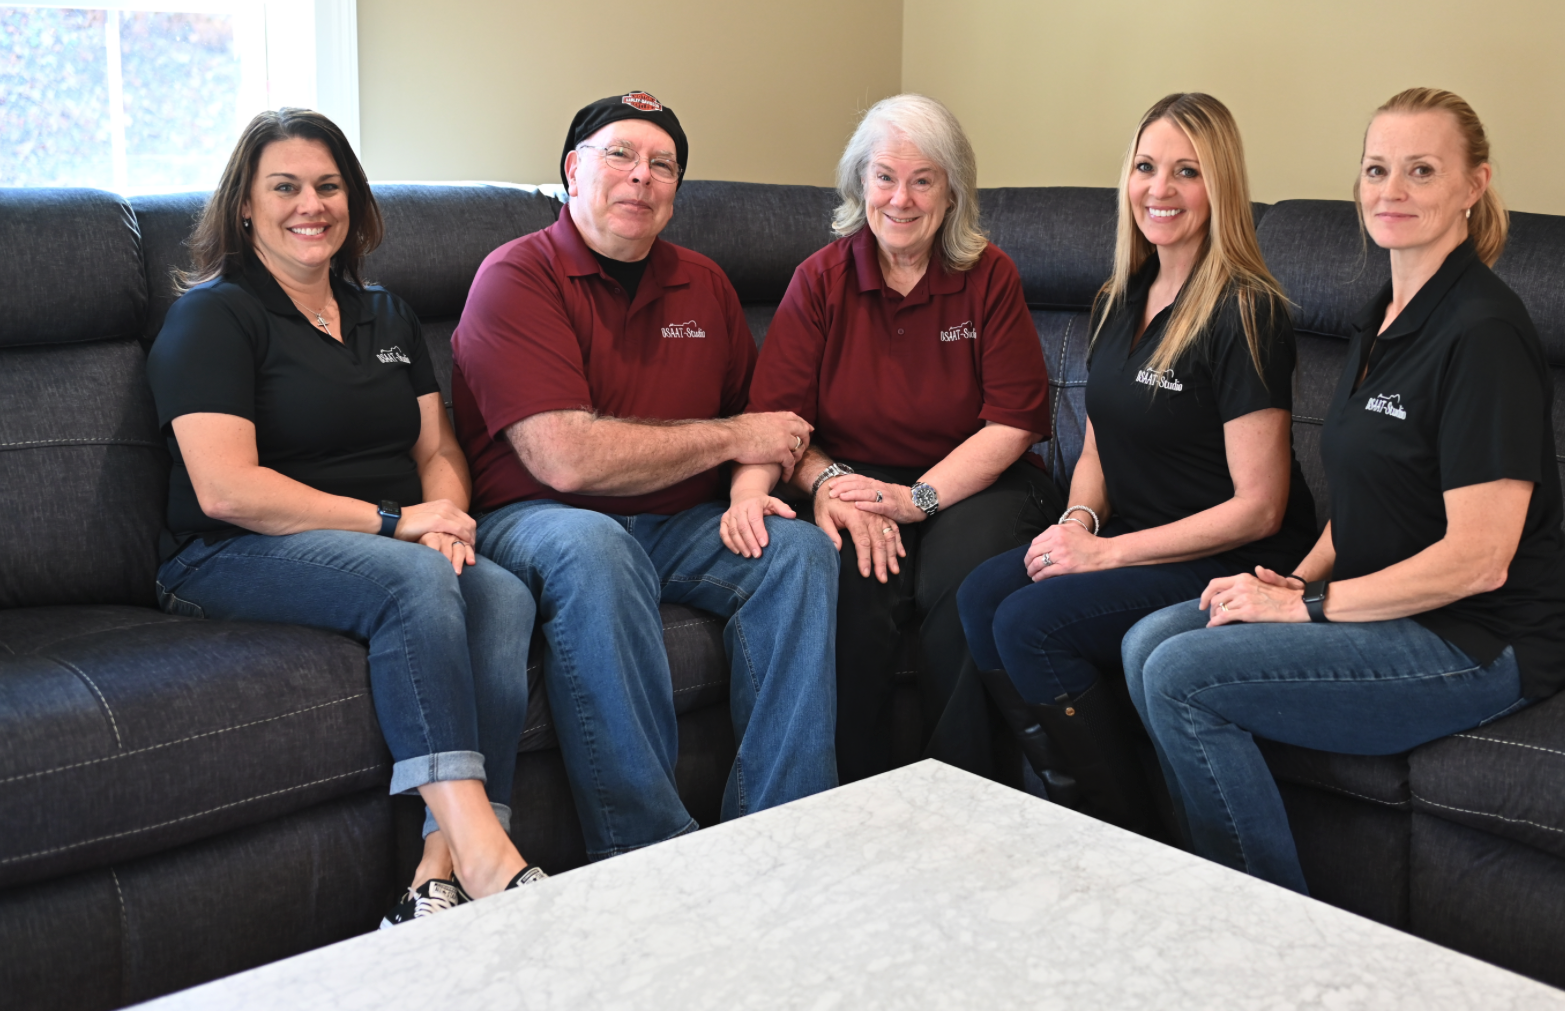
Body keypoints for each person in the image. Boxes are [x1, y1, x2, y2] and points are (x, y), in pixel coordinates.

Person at [1121, 88, 1565, 892]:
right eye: (1377, 169)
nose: (1391, 191)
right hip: (1382, 603)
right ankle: (1202, 888)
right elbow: (1364, 500)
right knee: (1146, 640)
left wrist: (1304, 610)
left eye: (1421, 170)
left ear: (1475, 185)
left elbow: (1479, 560)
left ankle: (1270, 936)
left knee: (1179, 674)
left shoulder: (1484, 334)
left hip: (1477, 638)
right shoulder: (1382, 315)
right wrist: (1290, 580)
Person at [147, 108, 544, 927]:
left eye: (329, 186)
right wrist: (401, 525)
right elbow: (226, 489)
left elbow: (437, 449)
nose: (311, 205)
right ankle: (487, 849)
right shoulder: (214, 315)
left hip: (391, 535)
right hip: (230, 552)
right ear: (246, 206)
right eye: (284, 187)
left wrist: (447, 520)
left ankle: (436, 874)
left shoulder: (388, 314)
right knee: (413, 579)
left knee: (500, 592)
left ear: (353, 201)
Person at [450, 91, 838, 858]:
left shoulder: (705, 284)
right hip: (538, 519)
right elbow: (563, 457)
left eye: (663, 166)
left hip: (681, 524)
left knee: (798, 555)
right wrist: (732, 437)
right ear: (572, 171)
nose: (642, 177)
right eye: (620, 155)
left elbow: (762, 426)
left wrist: (762, 486)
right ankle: (649, 853)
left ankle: (785, 833)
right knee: (598, 548)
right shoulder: (515, 277)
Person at [956, 92, 1317, 837]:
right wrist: (1078, 522)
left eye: (1187, 172)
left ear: (1220, 188)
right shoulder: (1119, 299)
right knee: (980, 595)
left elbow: (1261, 508)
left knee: (1029, 624)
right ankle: (1070, 793)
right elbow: (1097, 445)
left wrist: (1103, 553)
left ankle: (1123, 829)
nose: (1161, 189)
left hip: (1234, 554)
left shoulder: (1248, 311)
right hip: (1131, 535)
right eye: (1147, 167)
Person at [733, 93, 1059, 784]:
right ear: (860, 185)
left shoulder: (987, 276)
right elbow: (781, 425)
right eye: (884, 176)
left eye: (923, 180)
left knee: (959, 584)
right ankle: (857, 797)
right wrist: (833, 485)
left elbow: (1013, 422)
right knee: (854, 585)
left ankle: (961, 792)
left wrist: (917, 499)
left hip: (980, 483)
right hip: (857, 480)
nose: (901, 199)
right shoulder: (818, 282)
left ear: (950, 193)